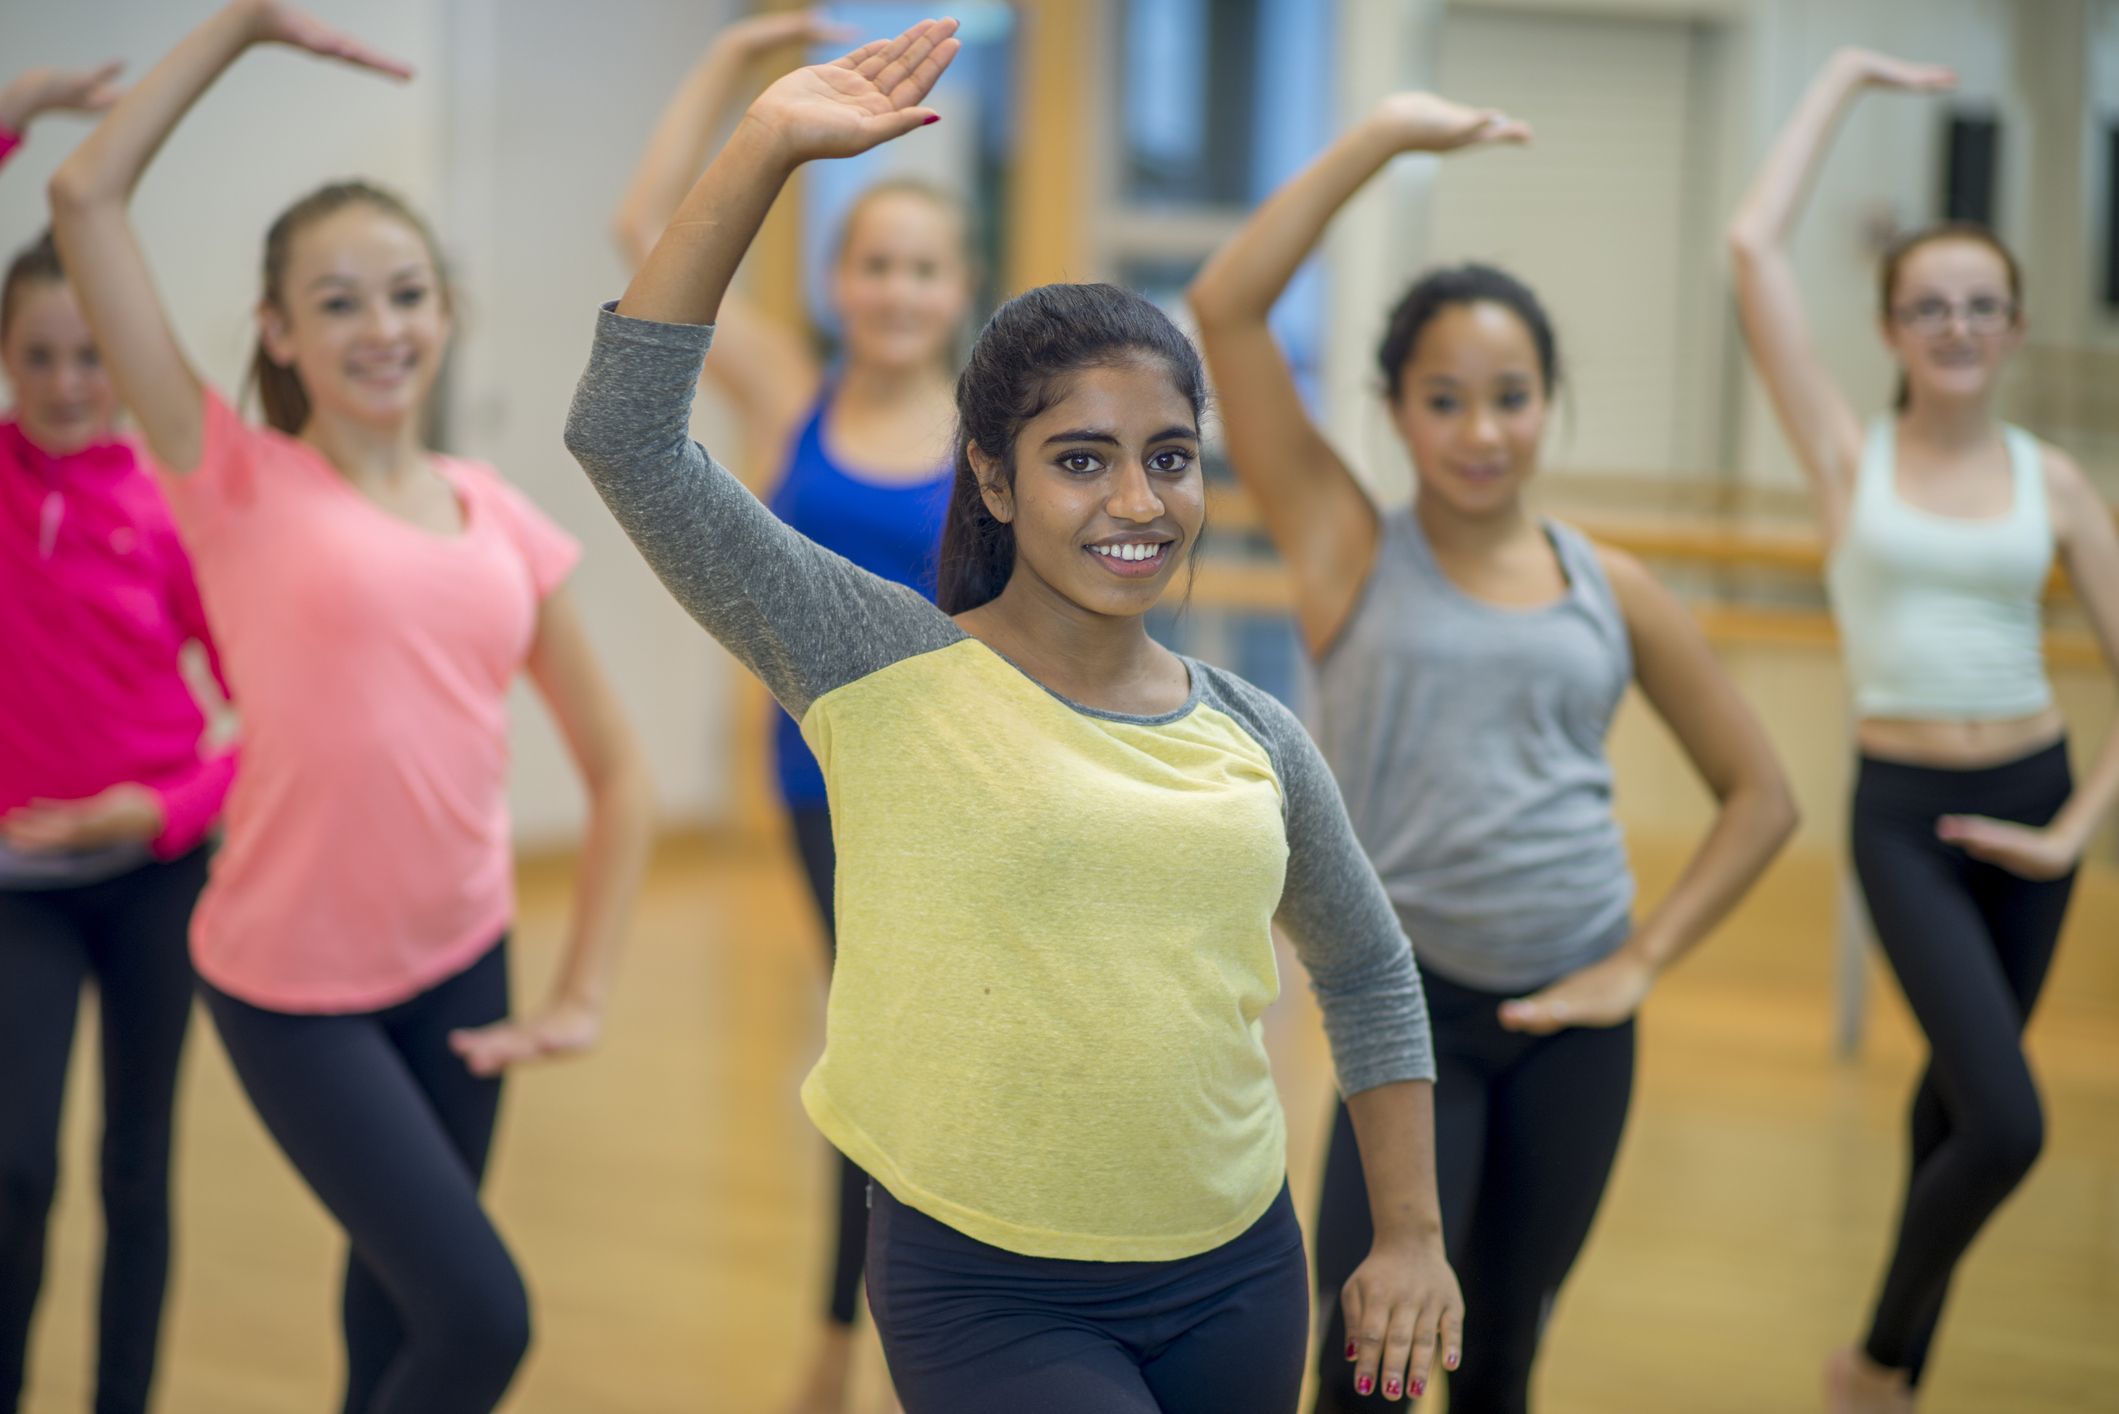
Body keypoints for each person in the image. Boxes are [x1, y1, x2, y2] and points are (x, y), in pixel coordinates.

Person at [567, 22, 1461, 1412]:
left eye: (1168, 458)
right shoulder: (878, 662)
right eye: (1081, 461)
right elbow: (626, 439)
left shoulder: (1257, 733)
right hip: (983, 1288)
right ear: (989, 474)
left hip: (1236, 1268)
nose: (1137, 502)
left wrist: (1406, 1230)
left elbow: (1367, 966)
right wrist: (764, 145)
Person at [48, 5, 657, 1410]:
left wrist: (583, 989)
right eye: (337, 301)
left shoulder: (501, 516)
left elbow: (619, 770)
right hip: (289, 986)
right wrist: (247, 27)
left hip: (460, 961)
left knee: (392, 1322)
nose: (380, 327)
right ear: (277, 329)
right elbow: (85, 193)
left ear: (445, 312)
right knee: (483, 1318)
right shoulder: (232, 474)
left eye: (405, 293)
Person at [1189, 94, 1799, 1414]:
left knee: (1501, 1359)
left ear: (1548, 407)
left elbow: (1763, 796)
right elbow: (1226, 310)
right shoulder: (1347, 546)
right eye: (1445, 399)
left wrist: (1638, 959)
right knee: (1364, 1364)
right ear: (1398, 414)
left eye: (1509, 398)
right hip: (1404, 1018)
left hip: (1576, 1019)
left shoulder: (1613, 586)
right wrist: (1376, 145)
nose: (1481, 430)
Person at [1727, 47, 2119, 1414]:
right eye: (1929, 305)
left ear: (2014, 328)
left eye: (1983, 306)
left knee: (1955, 1106)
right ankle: (1878, 1363)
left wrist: (2074, 826)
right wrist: (1834, 80)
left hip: (2031, 802)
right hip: (1905, 813)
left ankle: (1894, 1380)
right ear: (1893, 325)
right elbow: (1750, 246)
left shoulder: (2055, 482)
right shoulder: (1850, 458)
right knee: (2009, 1121)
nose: (1957, 325)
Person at [611, 16, 972, 1408]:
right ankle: (842, 1345)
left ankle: (877, 1342)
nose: (894, 288)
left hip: (951, 784)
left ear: (962, 287)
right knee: (880, 1045)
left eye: (921, 267)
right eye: (873, 262)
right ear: (836, 278)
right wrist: (731, 71)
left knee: (904, 1050)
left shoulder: (990, 421)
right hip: (823, 781)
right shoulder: (789, 387)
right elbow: (643, 222)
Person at [0, 60, 233, 1414]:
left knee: (135, 1166)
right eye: (39, 354)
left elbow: (266, 714)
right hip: (20, 890)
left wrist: (156, 811)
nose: (71, 379)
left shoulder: (171, 503)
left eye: (95, 349)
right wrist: (16, 109)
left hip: (154, 874)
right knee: (17, 1170)